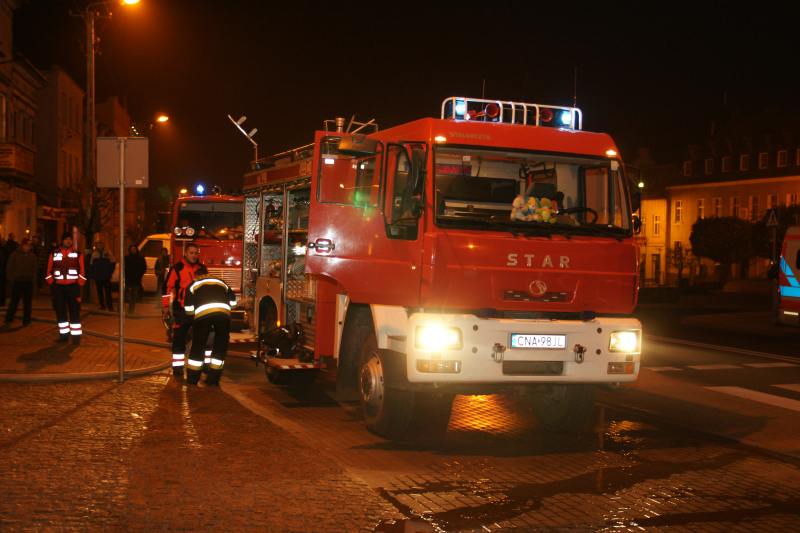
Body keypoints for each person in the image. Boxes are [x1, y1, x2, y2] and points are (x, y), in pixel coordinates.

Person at [183, 266, 236, 385]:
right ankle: (213, 380)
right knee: (220, 347)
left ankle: (192, 379)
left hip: (203, 316)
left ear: (197, 275)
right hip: (223, 315)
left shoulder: (194, 284)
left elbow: (189, 309)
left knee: (198, 346)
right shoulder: (220, 281)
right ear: (208, 274)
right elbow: (233, 302)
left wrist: (193, 320)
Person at [162, 243, 203, 379]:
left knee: (199, 340)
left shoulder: (202, 269)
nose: (194, 255)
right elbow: (168, 289)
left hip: (198, 310)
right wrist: (166, 308)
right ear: (185, 253)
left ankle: (195, 369)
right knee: (179, 340)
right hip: (182, 310)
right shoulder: (177, 268)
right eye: (191, 253)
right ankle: (178, 369)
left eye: (196, 253)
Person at [45, 231, 87, 344]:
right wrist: (52, 283)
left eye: (70, 239)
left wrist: (79, 284)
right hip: (58, 287)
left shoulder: (78, 254)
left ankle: (76, 338)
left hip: (73, 287)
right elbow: (48, 270)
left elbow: (82, 271)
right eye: (66, 239)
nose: (68, 241)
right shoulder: (54, 253)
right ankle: (63, 336)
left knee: (75, 312)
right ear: (62, 240)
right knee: (60, 312)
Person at [3, 238, 37, 328]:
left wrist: (33, 279)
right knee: (14, 302)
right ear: (22, 245)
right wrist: (11, 279)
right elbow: (9, 268)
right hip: (17, 282)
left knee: (27, 303)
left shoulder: (32, 256)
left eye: (29, 246)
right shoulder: (15, 255)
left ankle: (27, 320)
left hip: (28, 282)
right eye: (26, 245)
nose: (27, 247)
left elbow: (34, 269)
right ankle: (8, 319)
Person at [90, 241, 115, 311]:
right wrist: (93, 275)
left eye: (101, 245)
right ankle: (102, 306)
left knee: (108, 292)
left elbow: (113, 262)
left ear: (103, 246)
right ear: (97, 246)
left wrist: (110, 272)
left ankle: (110, 306)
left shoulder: (108, 252)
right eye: (98, 245)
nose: (100, 246)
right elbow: (91, 265)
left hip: (106, 276)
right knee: (100, 292)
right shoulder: (94, 254)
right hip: (98, 277)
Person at [124, 244, 146, 314]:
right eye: (132, 249)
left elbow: (143, 268)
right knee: (126, 295)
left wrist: (139, 275)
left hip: (136, 279)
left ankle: (131, 310)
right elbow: (124, 268)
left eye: (134, 249)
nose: (133, 250)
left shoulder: (140, 258)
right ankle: (125, 308)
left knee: (133, 295)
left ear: (136, 250)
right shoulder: (127, 258)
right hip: (128, 279)